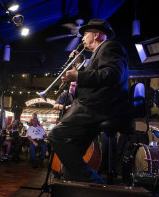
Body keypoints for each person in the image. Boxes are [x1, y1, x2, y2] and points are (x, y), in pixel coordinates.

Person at [48, 18, 130, 183]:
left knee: (56, 135)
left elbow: (112, 74)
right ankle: (77, 188)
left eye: (85, 34)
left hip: (97, 107)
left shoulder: (110, 46)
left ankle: (93, 181)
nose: (82, 38)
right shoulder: (98, 53)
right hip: (94, 105)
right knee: (74, 153)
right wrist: (79, 66)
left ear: (97, 34)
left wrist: (78, 75)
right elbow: (98, 76)